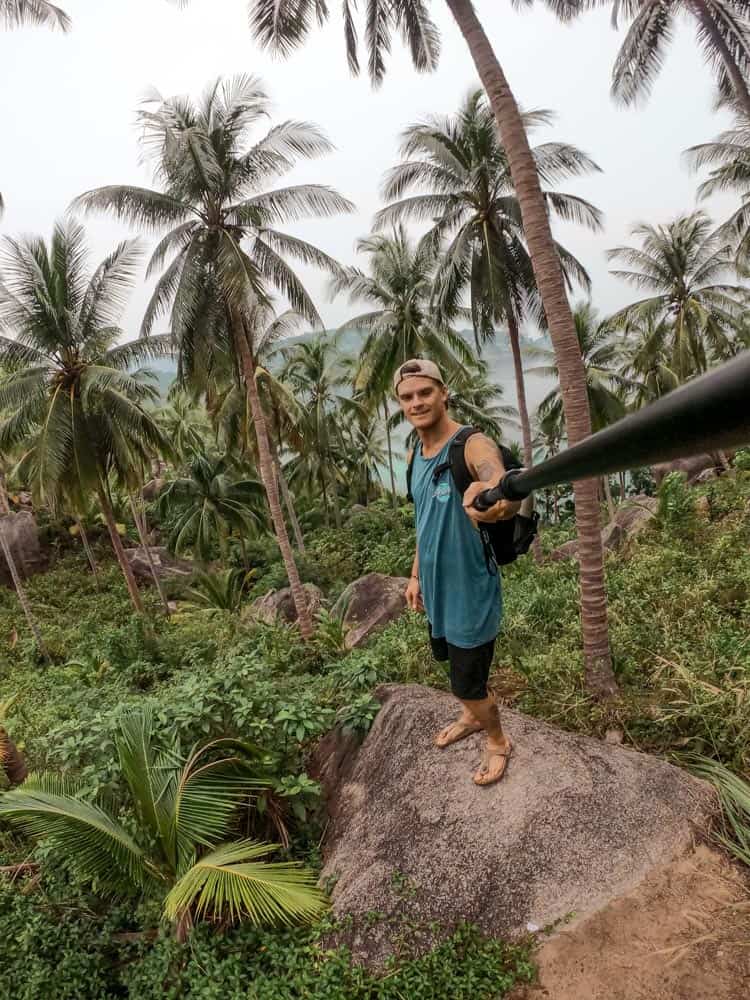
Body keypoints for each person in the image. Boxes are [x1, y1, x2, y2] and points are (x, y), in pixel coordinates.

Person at [396, 359, 521, 786]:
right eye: (408, 396)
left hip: (470, 592)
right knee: (456, 668)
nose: (417, 402)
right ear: (401, 404)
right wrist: (415, 577)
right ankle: (472, 714)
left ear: (443, 393)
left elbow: (494, 476)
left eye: (425, 392)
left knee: (468, 682)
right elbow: (424, 522)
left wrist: (494, 495)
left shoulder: (469, 444)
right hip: (437, 590)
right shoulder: (415, 453)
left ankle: (498, 740)